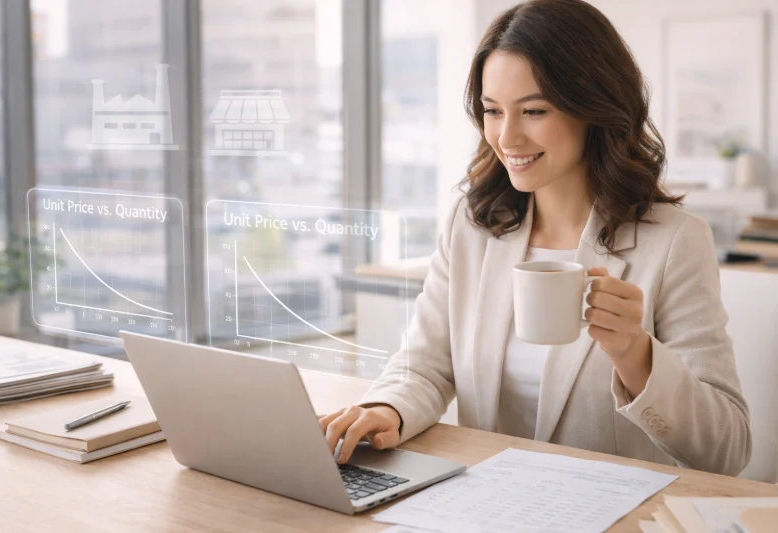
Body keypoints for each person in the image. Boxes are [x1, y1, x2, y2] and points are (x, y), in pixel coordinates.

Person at [319, 0, 752, 476]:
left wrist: (637, 354)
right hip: (486, 506)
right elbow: (425, 363)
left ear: (594, 107)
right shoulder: (471, 226)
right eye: (491, 111)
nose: (507, 137)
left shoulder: (674, 242)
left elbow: (727, 450)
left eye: (533, 110)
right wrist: (387, 410)